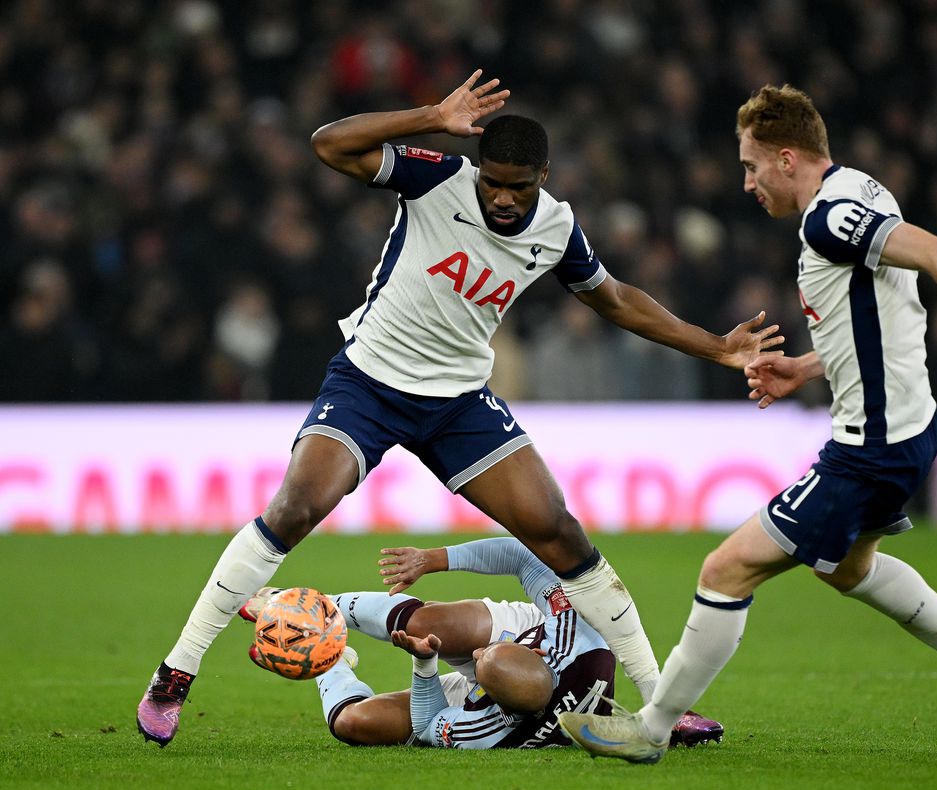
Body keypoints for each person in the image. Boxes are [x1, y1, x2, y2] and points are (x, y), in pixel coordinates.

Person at [137, 70, 778, 746]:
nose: (502, 198)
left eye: (518, 186)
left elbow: (615, 299)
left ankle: (660, 707)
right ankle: (175, 676)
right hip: (369, 384)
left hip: (458, 404)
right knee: (294, 508)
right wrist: (428, 116)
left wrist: (717, 348)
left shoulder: (556, 228)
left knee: (559, 530)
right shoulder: (435, 178)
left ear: (544, 176)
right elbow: (328, 144)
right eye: (492, 181)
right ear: (478, 167)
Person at [559, 84, 937, 762]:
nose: (746, 181)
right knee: (844, 568)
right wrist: (808, 369)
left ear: (788, 158)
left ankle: (650, 729)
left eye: (752, 166)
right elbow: (878, 316)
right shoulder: (863, 190)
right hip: (911, 430)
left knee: (726, 570)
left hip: (869, 448)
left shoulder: (828, 219)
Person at [239, 537, 721, 748]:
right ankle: (306, 605)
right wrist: (436, 558)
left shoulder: (490, 731)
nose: (470, 662)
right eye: (487, 657)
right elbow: (521, 556)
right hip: (523, 633)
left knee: (353, 723)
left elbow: (430, 725)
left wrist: (426, 665)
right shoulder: (577, 635)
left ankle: (323, 654)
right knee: (434, 623)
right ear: (536, 653)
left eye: (479, 665)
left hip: (485, 703)